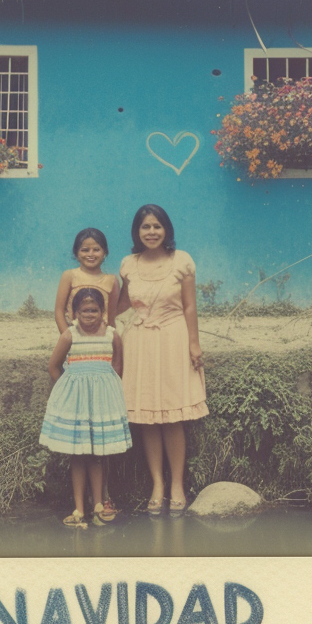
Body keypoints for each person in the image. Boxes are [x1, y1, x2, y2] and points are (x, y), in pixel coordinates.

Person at [117, 204, 207, 517]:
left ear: (165, 229)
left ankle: (177, 485)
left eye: (157, 226)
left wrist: (194, 344)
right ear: (137, 232)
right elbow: (122, 304)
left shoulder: (182, 261)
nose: (152, 232)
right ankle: (157, 484)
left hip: (173, 338)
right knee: (147, 418)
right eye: (145, 227)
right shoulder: (128, 264)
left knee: (172, 416)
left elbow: (190, 307)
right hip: (139, 343)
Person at [39, 287, 131, 528]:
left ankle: (98, 505)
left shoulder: (112, 335)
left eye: (94, 310)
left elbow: (117, 366)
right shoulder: (70, 335)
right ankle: (79, 508)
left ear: (102, 312)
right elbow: (53, 366)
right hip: (77, 407)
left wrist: (108, 392)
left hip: (102, 405)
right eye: (84, 310)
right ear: (74, 312)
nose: (90, 315)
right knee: (78, 455)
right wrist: (68, 393)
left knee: (98, 455)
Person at [54, 227, 120, 333]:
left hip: (101, 339)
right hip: (74, 337)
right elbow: (59, 312)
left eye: (96, 250)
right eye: (85, 250)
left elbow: (111, 318)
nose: (91, 254)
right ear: (76, 253)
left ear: (105, 253)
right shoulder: (69, 276)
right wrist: (68, 339)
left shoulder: (112, 281)